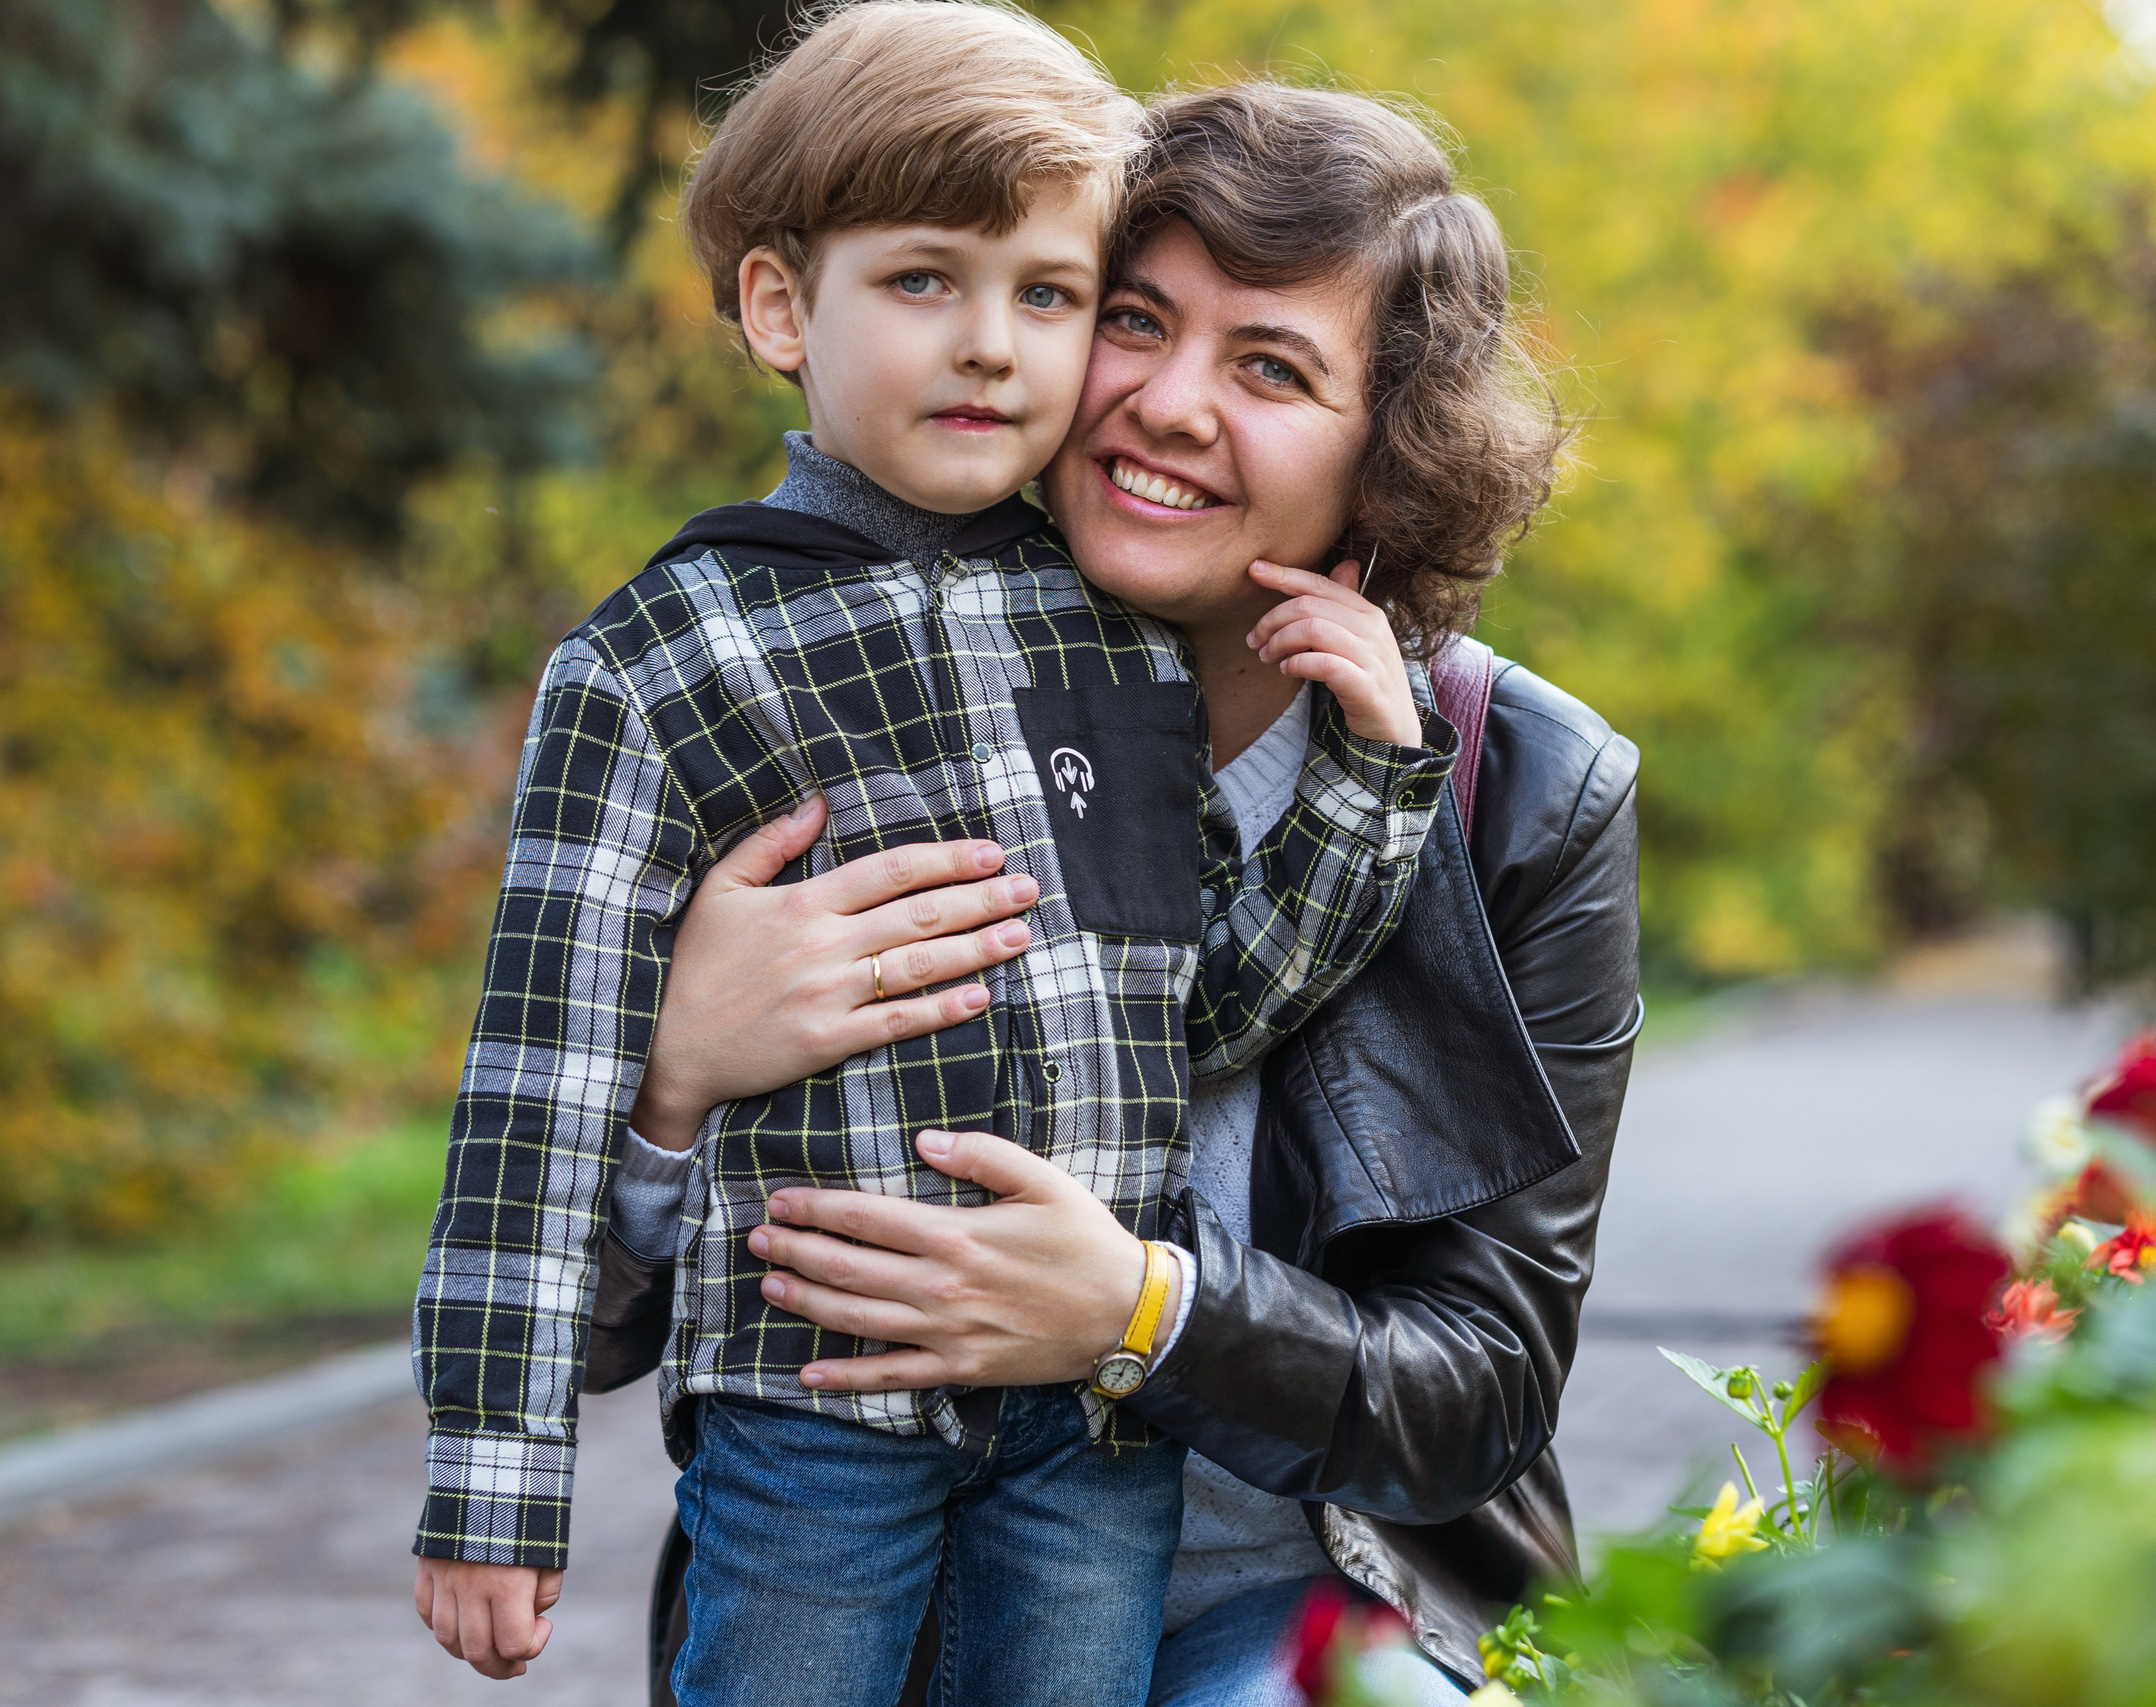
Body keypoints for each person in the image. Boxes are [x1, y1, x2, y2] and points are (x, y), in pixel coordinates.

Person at [405, 10, 1457, 1705]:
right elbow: (534, 1100)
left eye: (1046, 294)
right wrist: (492, 1484)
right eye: (922, 283)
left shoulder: (1111, 641)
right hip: (815, 1414)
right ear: (777, 308)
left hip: (1086, 1437)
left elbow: (1200, 1008)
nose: (991, 348)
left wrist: (1372, 779)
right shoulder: (662, 661)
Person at [593, 82, 1641, 1707]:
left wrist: (1141, 1310)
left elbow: (1479, 1389)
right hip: (880, 1619)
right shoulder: (803, 693)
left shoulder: (1523, 790)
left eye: (1272, 368)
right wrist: (671, 1079)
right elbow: (575, 1324)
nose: (1165, 402)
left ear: (1392, 451)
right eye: (1133, 320)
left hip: (1300, 1620)